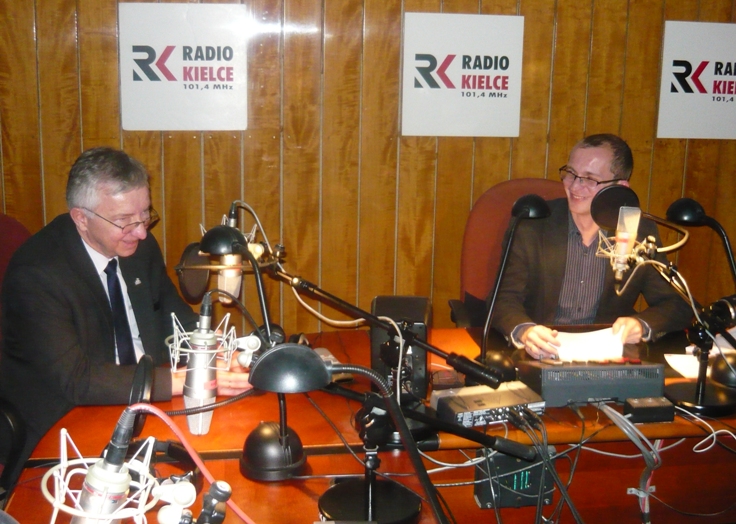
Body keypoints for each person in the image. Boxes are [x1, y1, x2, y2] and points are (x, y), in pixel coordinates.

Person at [0, 147, 251, 485]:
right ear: (81, 218)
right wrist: (190, 379)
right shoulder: (37, 274)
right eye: (124, 221)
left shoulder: (138, 247)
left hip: (142, 411)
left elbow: (173, 315)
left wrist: (216, 351)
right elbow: (78, 380)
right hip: (60, 431)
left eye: (145, 215)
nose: (141, 232)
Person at [491, 134, 693, 359]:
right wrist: (525, 330)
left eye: (589, 179)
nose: (574, 186)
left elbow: (678, 304)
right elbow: (502, 299)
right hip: (540, 353)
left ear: (619, 187)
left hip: (606, 357)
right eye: (571, 173)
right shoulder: (532, 224)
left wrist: (641, 325)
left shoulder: (637, 230)